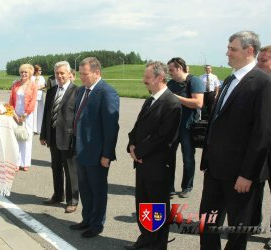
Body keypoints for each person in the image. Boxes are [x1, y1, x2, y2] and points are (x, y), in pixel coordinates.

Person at [199, 31, 271, 250]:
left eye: (232, 49)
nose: (227, 53)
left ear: (249, 50)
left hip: (240, 176)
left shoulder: (264, 84)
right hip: (214, 170)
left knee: (237, 232)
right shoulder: (228, 80)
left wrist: (247, 174)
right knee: (208, 224)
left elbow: (263, 134)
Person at [126, 61, 181, 250]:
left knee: (157, 207)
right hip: (142, 162)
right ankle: (146, 238)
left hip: (157, 165)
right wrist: (132, 145)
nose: (144, 81)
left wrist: (139, 152)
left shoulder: (172, 103)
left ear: (160, 78)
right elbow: (137, 128)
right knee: (143, 204)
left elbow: (163, 137)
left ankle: (157, 244)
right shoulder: (150, 100)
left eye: (147, 78)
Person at [69, 57, 119, 238]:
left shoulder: (107, 92)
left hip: (97, 153)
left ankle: (97, 224)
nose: (81, 78)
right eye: (80, 74)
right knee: (85, 188)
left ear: (97, 73)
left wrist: (107, 154)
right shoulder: (82, 90)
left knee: (97, 190)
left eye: (85, 74)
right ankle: (87, 219)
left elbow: (111, 126)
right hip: (81, 150)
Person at [40, 61, 79, 213]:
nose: (59, 76)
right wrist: (44, 134)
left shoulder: (77, 91)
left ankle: (72, 200)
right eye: (57, 73)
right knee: (56, 167)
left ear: (70, 74)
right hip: (53, 136)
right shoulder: (51, 91)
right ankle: (58, 195)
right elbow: (46, 115)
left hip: (68, 138)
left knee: (70, 170)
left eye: (62, 73)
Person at [166, 57, 204, 198]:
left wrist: (175, 97)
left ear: (179, 68)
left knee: (188, 158)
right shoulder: (170, 83)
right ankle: (169, 187)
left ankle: (187, 186)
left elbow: (198, 103)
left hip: (188, 127)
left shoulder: (194, 81)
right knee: (168, 157)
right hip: (172, 127)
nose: (169, 73)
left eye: (171, 70)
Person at [256, 45, 271, 249]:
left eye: (264, 60)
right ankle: (254, 222)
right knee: (254, 186)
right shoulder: (258, 85)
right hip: (259, 147)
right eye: (258, 59)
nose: (258, 64)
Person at [9, 64, 37, 171]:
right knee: (16, 138)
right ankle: (16, 162)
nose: (23, 74)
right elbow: (11, 100)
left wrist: (25, 115)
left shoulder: (33, 85)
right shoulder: (15, 85)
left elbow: (33, 101)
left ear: (30, 73)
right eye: (22, 72)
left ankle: (25, 163)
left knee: (26, 138)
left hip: (27, 116)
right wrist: (14, 114)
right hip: (15, 115)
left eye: (26, 72)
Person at [31, 65, 46, 134]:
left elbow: (44, 85)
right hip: (34, 98)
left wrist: (38, 87)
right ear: (36, 71)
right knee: (34, 113)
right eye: (39, 70)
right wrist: (38, 86)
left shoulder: (42, 77)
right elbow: (33, 86)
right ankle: (34, 129)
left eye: (41, 70)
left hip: (41, 97)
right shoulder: (32, 78)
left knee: (40, 112)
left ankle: (39, 128)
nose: (41, 71)